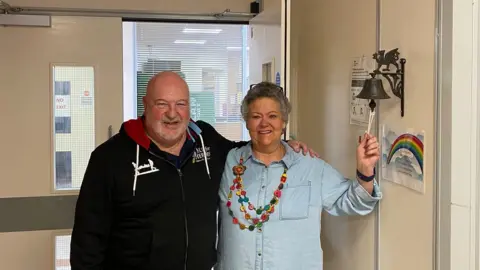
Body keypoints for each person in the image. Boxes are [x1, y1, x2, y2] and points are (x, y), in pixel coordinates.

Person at [70, 71, 317, 270]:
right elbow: (87, 243)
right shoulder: (110, 158)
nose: (172, 113)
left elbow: (242, 149)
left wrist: (281, 144)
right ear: (145, 105)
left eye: (181, 104)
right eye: (161, 104)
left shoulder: (206, 141)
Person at [216, 82, 383, 270]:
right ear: (246, 121)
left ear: (284, 122)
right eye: (256, 117)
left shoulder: (310, 166)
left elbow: (356, 202)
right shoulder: (229, 162)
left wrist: (365, 171)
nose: (264, 123)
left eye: (272, 116)